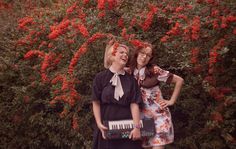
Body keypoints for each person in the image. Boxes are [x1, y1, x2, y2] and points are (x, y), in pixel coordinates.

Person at [128, 42, 184, 149]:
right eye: (142, 53)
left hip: (159, 117)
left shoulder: (155, 71)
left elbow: (179, 80)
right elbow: (110, 65)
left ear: (151, 58)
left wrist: (171, 101)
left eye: (148, 55)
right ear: (137, 53)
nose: (144, 57)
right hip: (142, 119)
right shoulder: (130, 71)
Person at [92, 39, 144, 149]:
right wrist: (99, 124)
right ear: (112, 55)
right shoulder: (100, 78)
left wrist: (137, 127)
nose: (125, 55)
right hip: (107, 125)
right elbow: (96, 102)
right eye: (121, 52)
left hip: (127, 126)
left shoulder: (131, 80)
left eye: (126, 54)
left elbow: (134, 104)